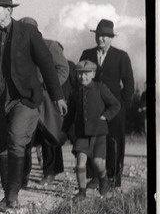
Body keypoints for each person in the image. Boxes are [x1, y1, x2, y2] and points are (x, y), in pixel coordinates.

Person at [0, 0, 67, 212]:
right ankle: (6, 195)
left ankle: (12, 196)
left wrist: (57, 95)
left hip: (23, 99)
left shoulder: (27, 33)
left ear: (9, 10)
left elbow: (47, 65)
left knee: (15, 138)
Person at [79, 19, 134, 189]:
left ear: (111, 38)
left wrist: (122, 107)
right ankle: (95, 178)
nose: (101, 39)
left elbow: (129, 83)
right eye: (98, 35)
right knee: (92, 142)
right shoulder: (87, 54)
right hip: (92, 108)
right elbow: (79, 79)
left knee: (113, 142)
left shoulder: (121, 56)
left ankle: (113, 178)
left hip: (115, 108)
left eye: (105, 36)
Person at [19, 17, 70, 187]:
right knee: (25, 137)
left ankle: (50, 172)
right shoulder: (18, 50)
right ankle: (23, 174)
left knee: (50, 135)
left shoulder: (50, 46)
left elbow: (63, 69)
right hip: (27, 100)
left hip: (47, 101)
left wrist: (50, 87)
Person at [61, 60, 121, 200]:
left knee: (97, 163)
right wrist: (63, 131)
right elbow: (70, 114)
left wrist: (105, 116)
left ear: (93, 74)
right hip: (81, 134)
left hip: (99, 133)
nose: (83, 77)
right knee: (80, 161)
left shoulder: (100, 88)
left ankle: (104, 178)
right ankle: (82, 192)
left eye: (86, 74)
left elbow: (115, 105)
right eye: (80, 74)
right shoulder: (75, 92)